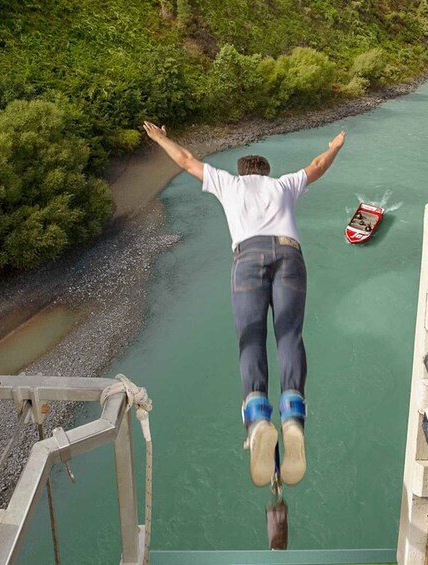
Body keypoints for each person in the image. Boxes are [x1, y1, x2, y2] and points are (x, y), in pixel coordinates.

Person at [142, 121, 346, 487]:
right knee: (289, 336)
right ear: (266, 172)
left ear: (241, 172)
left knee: (251, 339)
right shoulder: (284, 184)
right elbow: (316, 165)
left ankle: (258, 419)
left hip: (248, 258)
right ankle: (293, 417)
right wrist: (334, 146)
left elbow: (187, 160)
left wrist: (160, 138)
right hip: (289, 253)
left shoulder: (228, 183)